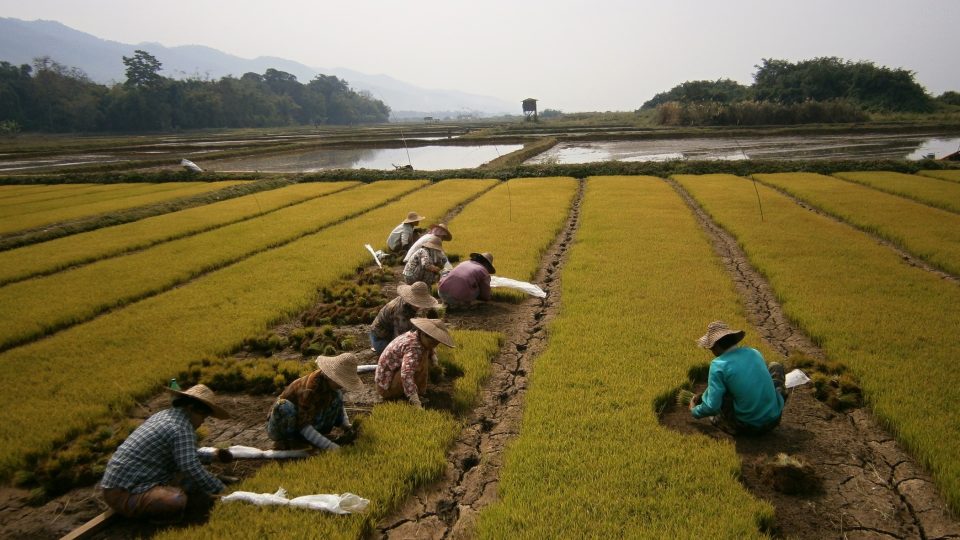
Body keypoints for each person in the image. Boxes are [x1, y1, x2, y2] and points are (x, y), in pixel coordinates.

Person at [99, 384, 231, 521]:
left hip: (117, 483)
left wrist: (211, 455)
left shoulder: (165, 415)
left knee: (192, 482)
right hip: (124, 492)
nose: (203, 420)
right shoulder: (181, 428)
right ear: (191, 408)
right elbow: (191, 466)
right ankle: (158, 519)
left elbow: (185, 454)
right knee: (177, 499)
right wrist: (222, 491)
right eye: (203, 415)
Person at [689, 321, 787, 435]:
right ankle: (770, 408)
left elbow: (712, 407)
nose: (710, 350)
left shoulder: (718, 365)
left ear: (716, 346)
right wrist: (702, 396)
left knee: (715, 414)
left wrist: (694, 411)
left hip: (749, 426)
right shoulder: (754, 352)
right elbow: (751, 379)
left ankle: (732, 425)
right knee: (775, 366)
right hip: (774, 419)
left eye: (711, 347)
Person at [266, 353, 363, 451]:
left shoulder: (332, 388)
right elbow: (303, 425)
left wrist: (346, 425)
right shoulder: (310, 390)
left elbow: (339, 406)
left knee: (337, 395)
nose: (342, 385)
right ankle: (290, 442)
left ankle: (311, 439)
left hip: (306, 422)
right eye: (340, 381)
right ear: (331, 376)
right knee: (285, 406)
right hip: (284, 426)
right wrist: (331, 447)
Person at [375, 318, 455, 409]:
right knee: (418, 363)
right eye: (432, 342)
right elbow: (406, 374)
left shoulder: (418, 337)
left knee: (424, 355)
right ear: (423, 334)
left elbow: (431, 349)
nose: (434, 345)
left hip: (393, 375)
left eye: (436, 343)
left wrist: (435, 364)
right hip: (386, 387)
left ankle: (419, 392)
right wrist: (414, 399)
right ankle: (409, 395)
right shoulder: (413, 347)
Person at [369, 281, 440, 356]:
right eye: (418, 302)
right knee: (409, 354)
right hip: (381, 338)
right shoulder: (400, 312)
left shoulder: (410, 305)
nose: (420, 306)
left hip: (393, 331)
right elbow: (399, 341)